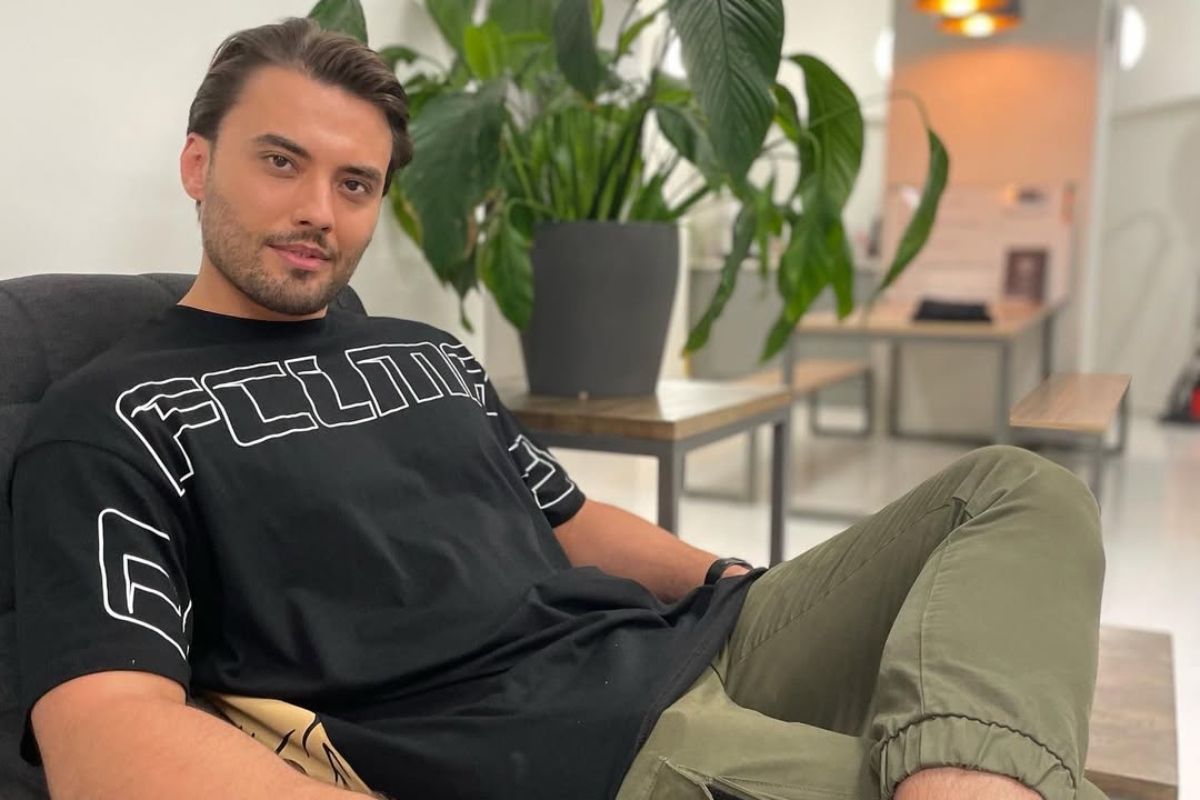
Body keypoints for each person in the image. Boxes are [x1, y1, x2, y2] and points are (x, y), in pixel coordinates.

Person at [10, 18, 1108, 800]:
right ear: (197, 163)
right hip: (587, 749)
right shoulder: (110, 420)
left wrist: (743, 588)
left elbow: (571, 520)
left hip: (682, 639)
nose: (318, 212)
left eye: (355, 183)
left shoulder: (425, 352)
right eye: (281, 163)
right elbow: (106, 732)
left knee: (1019, 486)